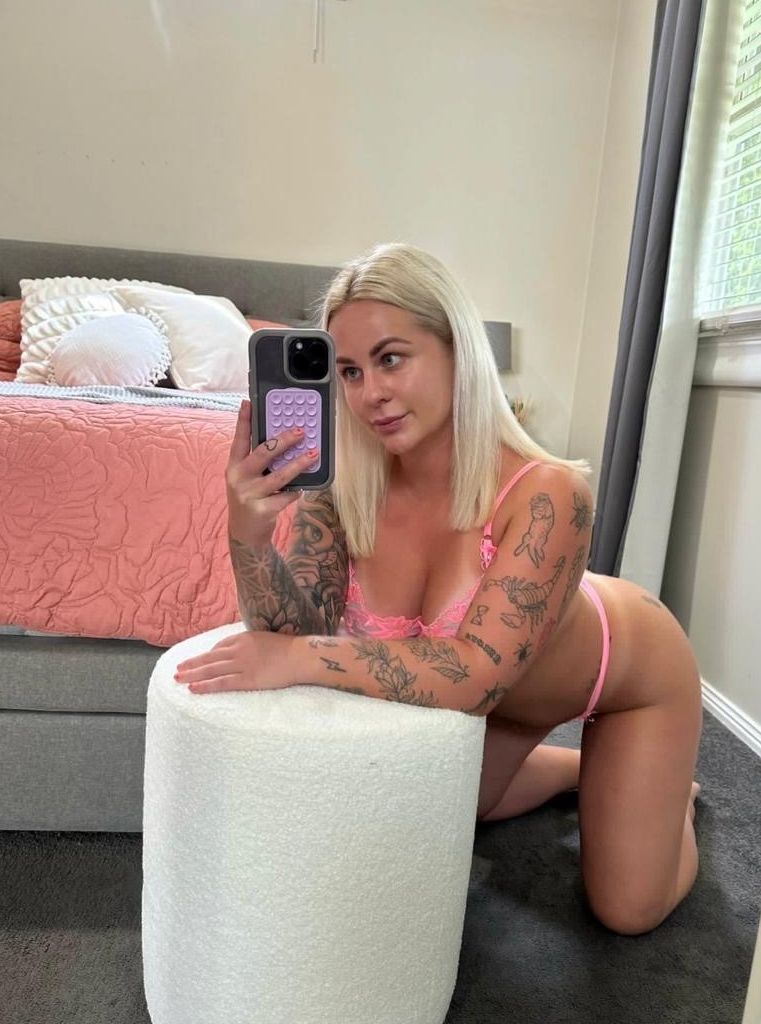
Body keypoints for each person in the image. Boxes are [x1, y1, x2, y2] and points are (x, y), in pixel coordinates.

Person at [174, 242, 703, 937]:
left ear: (458, 350)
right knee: (449, 808)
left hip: (629, 678)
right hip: (508, 704)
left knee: (625, 910)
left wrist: (299, 659)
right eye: (349, 371)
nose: (370, 394)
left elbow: (473, 676)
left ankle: (671, 799)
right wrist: (248, 531)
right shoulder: (344, 490)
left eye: (392, 359)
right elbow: (292, 632)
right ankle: (578, 769)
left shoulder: (548, 492)